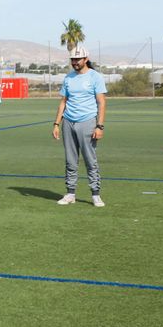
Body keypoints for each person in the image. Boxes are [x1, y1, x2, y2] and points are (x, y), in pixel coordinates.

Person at [52, 46, 106, 207]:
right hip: (68, 122)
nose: (75, 62)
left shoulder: (95, 77)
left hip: (88, 122)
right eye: (73, 59)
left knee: (90, 160)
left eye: (78, 59)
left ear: (86, 59)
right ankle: (70, 193)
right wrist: (56, 123)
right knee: (70, 160)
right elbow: (63, 102)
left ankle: (95, 194)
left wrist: (100, 126)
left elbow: (101, 102)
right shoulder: (68, 78)